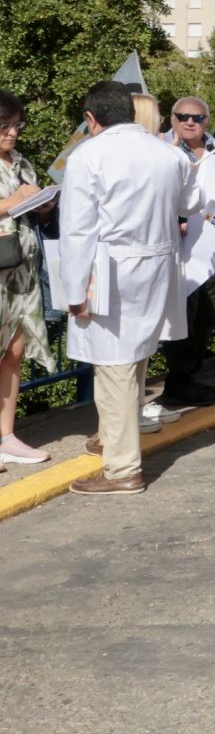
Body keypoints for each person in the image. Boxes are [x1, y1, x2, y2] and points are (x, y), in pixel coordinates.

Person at [60, 81, 193, 495]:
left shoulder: (88, 156)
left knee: (114, 365)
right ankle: (111, 438)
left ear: (91, 118)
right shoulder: (170, 154)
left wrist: (73, 291)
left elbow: (77, 230)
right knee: (136, 358)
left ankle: (122, 469)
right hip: (157, 264)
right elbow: (189, 205)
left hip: (109, 269)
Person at [157, 96, 215, 404]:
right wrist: (177, 219)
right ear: (172, 118)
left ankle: (189, 375)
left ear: (206, 121)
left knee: (207, 316)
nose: (190, 122)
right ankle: (178, 379)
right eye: (183, 116)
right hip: (179, 249)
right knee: (182, 314)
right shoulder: (162, 150)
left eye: (197, 118)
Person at [0, 91, 54, 470]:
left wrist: (44, 206)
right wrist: (13, 200)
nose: (12, 133)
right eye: (5, 126)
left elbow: (30, 211)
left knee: (14, 351)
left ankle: (6, 436)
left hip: (22, 272)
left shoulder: (22, 164)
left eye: (16, 125)